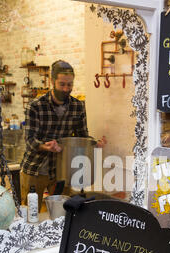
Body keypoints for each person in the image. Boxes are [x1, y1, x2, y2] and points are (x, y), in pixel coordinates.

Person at [20, 60, 106, 211]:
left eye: (70, 84)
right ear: (52, 82)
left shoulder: (78, 106)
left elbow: (82, 136)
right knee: (30, 213)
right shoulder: (35, 106)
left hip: (62, 169)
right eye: (62, 84)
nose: (66, 89)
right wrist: (45, 146)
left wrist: (94, 145)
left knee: (61, 213)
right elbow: (29, 140)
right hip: (35, 169)